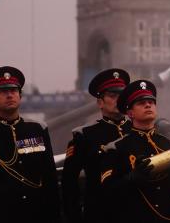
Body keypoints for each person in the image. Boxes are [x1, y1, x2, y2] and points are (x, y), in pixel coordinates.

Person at [0, 66, 60, 223]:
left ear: (20, 96)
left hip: (35, 214)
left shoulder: (37, 129)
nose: (9, 95)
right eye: (3, 92)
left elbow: (49, 176)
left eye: (13, 90)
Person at [99, 79, 170, 223]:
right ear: (130, 113)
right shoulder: (116, 148)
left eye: (151, 102)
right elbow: (107, 193)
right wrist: (132, 178)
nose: (148, 104)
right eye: (141, 103)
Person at [62, 68, 132, 223]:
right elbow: (69, 183)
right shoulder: (85, 136)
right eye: (113, 96)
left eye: (121, 96)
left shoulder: (137, 130)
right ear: (100, 102)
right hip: (101, 213)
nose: (118, 100)